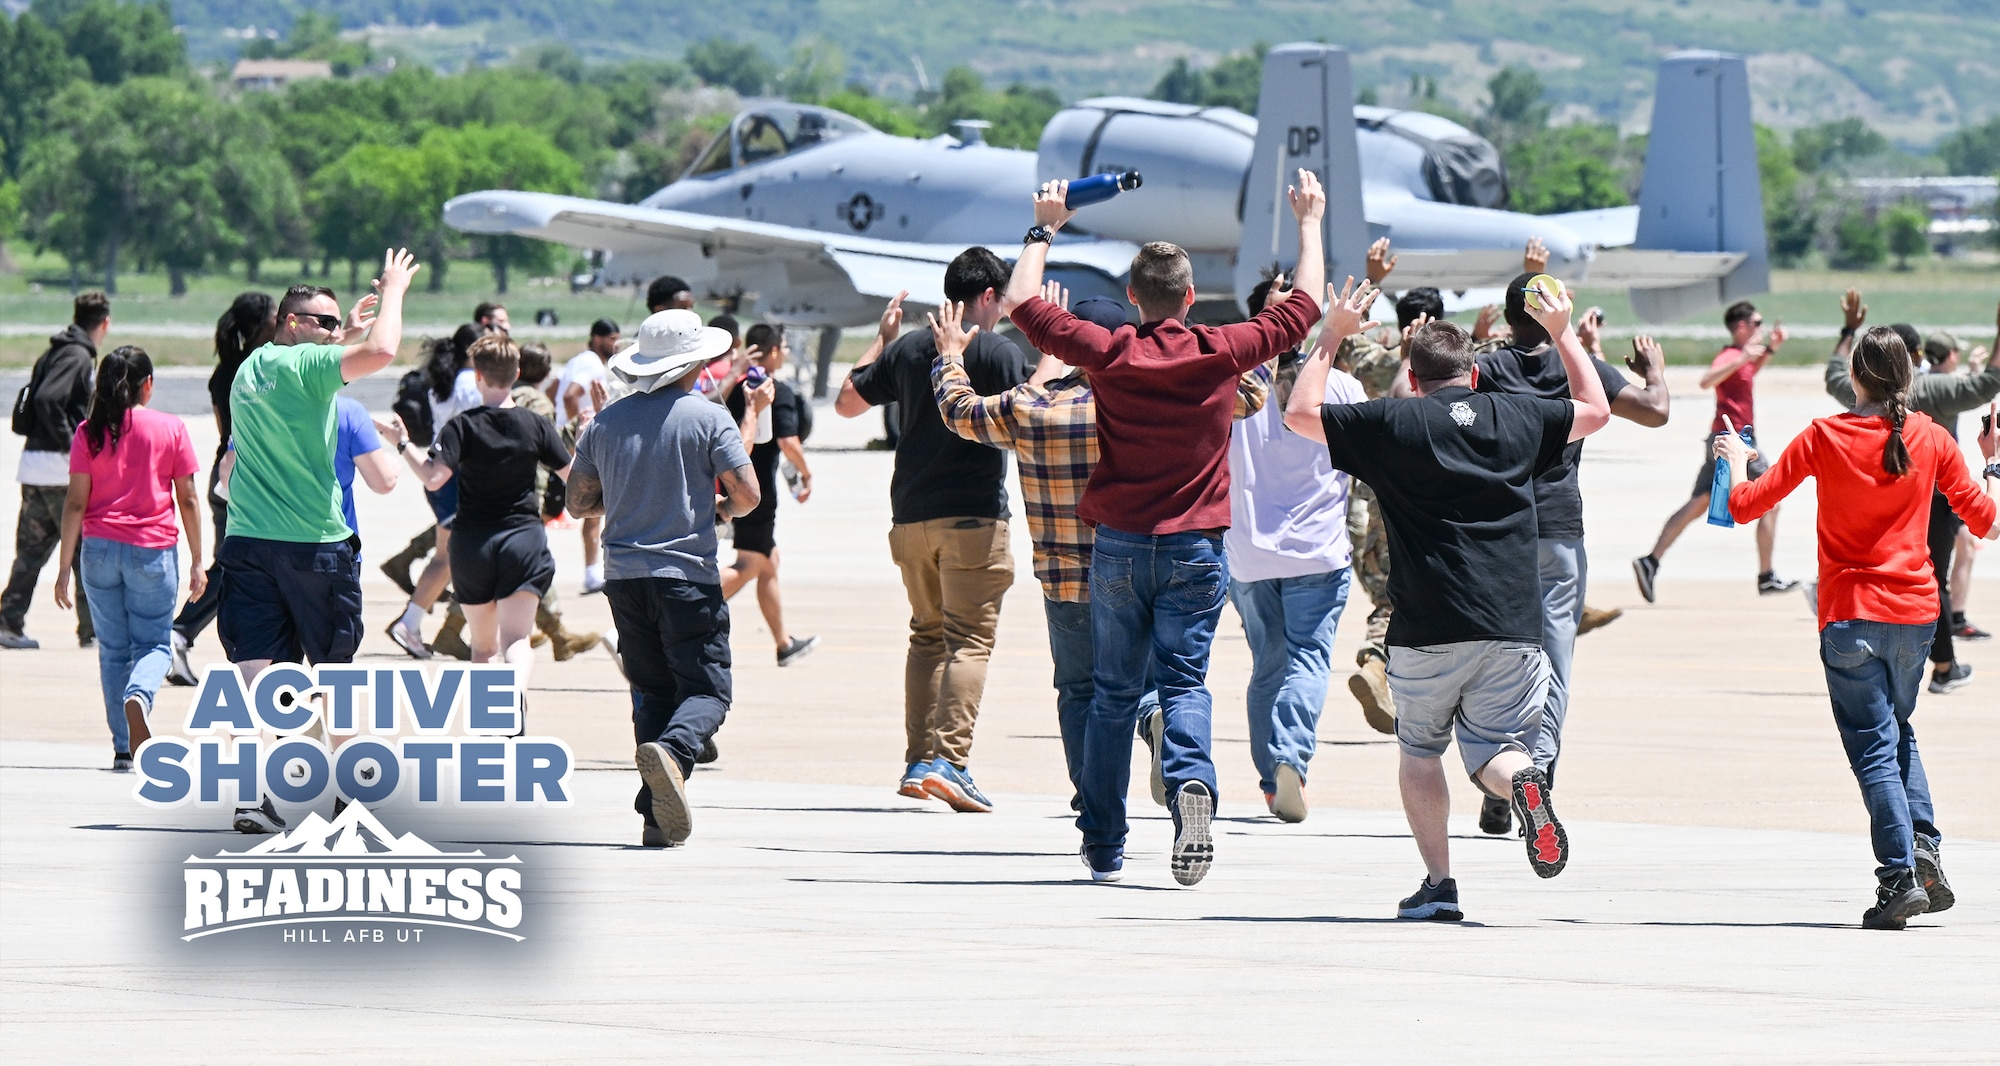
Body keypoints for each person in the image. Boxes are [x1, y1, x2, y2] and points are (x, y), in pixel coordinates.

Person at [1003, 171, 1326, 886]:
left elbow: (1020, 301)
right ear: (1188, 297)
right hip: (1195, 550)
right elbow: (1303, 308)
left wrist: (1044, 226)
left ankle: (1105, 844)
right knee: (1183, 684)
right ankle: (1190, 785)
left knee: (1114, 695)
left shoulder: (1110, 353)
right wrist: (1309, 222)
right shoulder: (1220, 350)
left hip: (1118, 547)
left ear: (1131, 301)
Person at [1285, 285, 1612, 921]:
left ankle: (1439, 884)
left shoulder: (1394, 422)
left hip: (1426, 625)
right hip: (1514, 623)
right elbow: (1595, 411)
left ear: (1412, 373)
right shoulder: (1515, 414)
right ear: (1475, 372)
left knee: (1420, 751)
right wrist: (1566, 331)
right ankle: (1523, 784)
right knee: (1496, 751)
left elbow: (1300, 413)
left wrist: (1332, 333)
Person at [933, 288, 1263, 833]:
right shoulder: (1152, 398)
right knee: (1173, 678)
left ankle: (1096, 810)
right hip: (1155, 551)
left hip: (1067, 577)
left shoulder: (1034, 407)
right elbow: (1249, 389)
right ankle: (1161, 725)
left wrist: (949, 356)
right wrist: (1190, 335)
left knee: (1083, 690)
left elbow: (959, 411)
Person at [1721, 328, 1998, 929]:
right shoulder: (1929, 435)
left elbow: (1746, 506)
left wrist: (1739, 462)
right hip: (1916, 614)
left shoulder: (1825, 435)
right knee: (1898, 732)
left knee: (1873, 746)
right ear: (1908, 378)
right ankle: (1924, 850)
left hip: (1850, 613)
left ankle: (1899, 877)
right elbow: (1988, 522)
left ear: (1856, 379)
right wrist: (1993, 458)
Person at [220, 248, 418, 834]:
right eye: (325, 322)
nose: (335, 332)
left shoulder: (254, 367)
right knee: (336, 677)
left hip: (250, 544)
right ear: (291, 323)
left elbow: (322, 358)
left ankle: (262, 796)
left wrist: (344, 331)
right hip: (315, 546)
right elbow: (382, 353)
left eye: (339, 323)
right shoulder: (304, 369)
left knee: (264, 680)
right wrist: (395, 290)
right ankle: (349, 801)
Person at [1466, 273, 1671, 836]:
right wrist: (1652, 369)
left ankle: (1500, 775)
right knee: (1553, 663)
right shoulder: (1573, 369)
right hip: (1556, 533)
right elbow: (1655, 411)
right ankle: (1537, 780)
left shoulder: (1487, 368)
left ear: (1508, 318)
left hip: (1493, 535)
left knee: (1493, 664)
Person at [835, 249, 1032, 814]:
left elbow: (848, 402)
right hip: (972, 519)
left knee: (927, 636)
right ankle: (950, 761)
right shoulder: (997, 350)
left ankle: (919, 761)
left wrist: (881, 338)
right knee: (969, 640)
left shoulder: (912, 347)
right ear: (989, 297)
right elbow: (1040, 409)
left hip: (910, 519)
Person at [565, 309, 762, 847]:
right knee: (707, 691)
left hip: (624, 577)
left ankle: (656, 818)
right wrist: (715, 511)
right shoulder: (706, 415)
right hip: (686, 574)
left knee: (651, 690)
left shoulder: (604, 421)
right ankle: (673, 754)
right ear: (696, 360)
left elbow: (579, 503)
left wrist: (626, 496)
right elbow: (747, 496)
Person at [1223, 273, 1360, 824]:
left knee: (1267, 665)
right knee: (1308, 659)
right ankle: (1289, 760)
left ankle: (1268, 780)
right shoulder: (1343, 389)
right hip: (1318, 551)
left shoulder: (1231, 388)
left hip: (1249, 550)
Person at [1823, 293, 2000, 695]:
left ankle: (1916, 663)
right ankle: (1942, 665)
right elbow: (1990, 381)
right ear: (1914, 358)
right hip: (1937, 501)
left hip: (1877, 512)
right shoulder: (1937, 390)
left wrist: (1848, 331)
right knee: (1931, 578)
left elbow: (1833, 373)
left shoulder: (1859, 392)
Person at [380, 335, 573, 694]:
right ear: (516, 372)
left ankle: (492, 721)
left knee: (483, 649)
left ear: (478, 376)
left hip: (473, 545)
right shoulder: (536, 424)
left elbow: (434, 478)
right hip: (523, 540)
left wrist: (403, 443)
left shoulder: (462, 426)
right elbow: (573, 477)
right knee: (516, 641)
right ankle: (513, 698)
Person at [48, 347, 200, 771]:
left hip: (97, 553)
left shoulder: (87, 432)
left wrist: (64, 567)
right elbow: (186, 498)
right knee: (154, 644)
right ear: (147, 384)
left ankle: (122, 746)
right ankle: (140, 696)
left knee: (112, 649)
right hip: (151, 551)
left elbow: (75, 503)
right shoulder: (171, 428)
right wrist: (198, 559)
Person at [1633, 300, 1798, 602]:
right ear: (1741, 327)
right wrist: (1742, 358)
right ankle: (1766, 576)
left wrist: (1771, 349)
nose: (1760, 328)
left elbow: (1747, 374)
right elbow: (1706, 380)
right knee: (1772, 501)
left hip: (1725, 438)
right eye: (1757, 323)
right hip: (1734, 439)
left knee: (1699, 502)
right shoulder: (1730, 354)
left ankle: (1650, 560)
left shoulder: (1741, 357)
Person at [2, 291, 108, 650]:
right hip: (60, 471)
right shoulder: (77, 355)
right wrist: (74, 445)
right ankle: (92, 631)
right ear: (104, 323)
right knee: (83, 551)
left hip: (34, 466)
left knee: (30, 553)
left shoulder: (55, 350)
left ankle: (8, 623)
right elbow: (49, 399)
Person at [721, 323, 818, 666]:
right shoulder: (775, 390)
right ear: (774, 351)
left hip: (729, 484)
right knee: (751, 563)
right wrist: (806, 473)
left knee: (768, 562)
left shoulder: (734, 386)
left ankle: (783, 643)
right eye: (785, 347)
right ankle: (668, 617)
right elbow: (788, 442)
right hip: (756, 491)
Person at [387, 328, 483, 657]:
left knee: (448, 558)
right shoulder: (471, 385)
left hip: (443, 468)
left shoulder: (445, 382)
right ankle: (411, 624)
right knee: (451, 560)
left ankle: (412, 623)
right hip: (459, 474)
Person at [556, 318, 622, 595]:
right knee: (595, 507)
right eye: (611, 339)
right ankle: (592, 572)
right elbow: (571, 396)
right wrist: (575, 435)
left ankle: (593, 571)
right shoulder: (593, 364)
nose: (615, 345)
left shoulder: (579, 359)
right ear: (597, 338)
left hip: (573, 437)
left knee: (591, 510)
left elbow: (556, 389)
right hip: (581, 440)